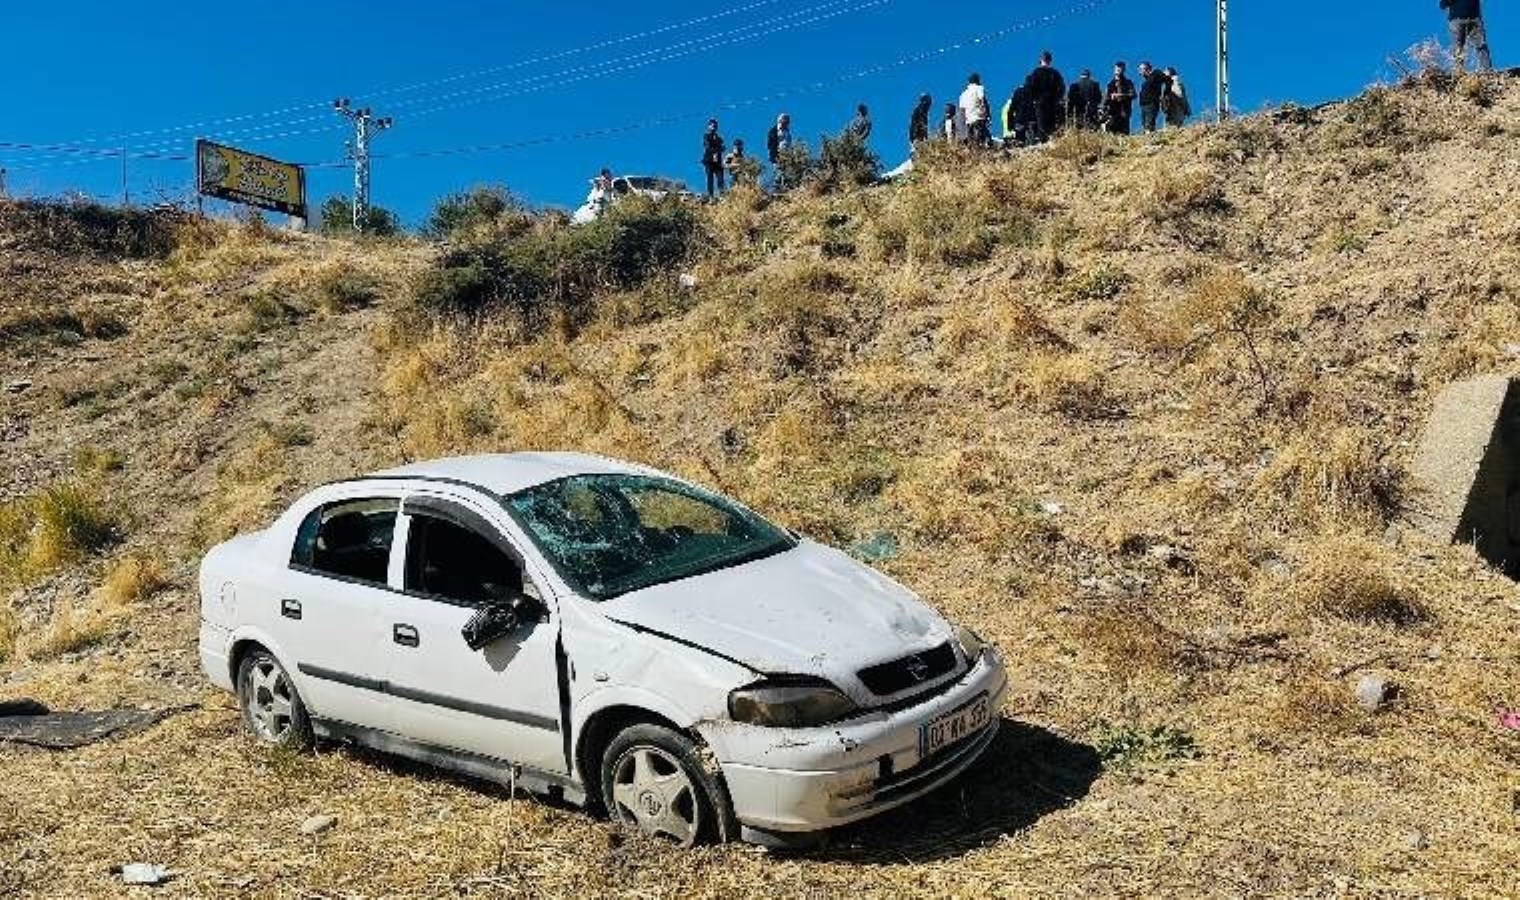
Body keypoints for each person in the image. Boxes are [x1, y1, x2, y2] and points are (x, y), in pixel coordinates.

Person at [1024, 50, 1067, 144]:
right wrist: (1057, 99)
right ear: (1050, 60)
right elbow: (1062, 88)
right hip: (1052, 102)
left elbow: (1030, 87)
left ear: (1041, 60)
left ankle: (1043, 143)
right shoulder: (1055, 73)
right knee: (1051, 123)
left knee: (1041, 123)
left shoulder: (1036, 72)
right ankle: (1051, 143)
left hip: (1040, 102)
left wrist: (1034, 99)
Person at [1442, 0, 1494, 73]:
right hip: (1457, 20)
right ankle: (1459, 72)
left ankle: (1487, 71)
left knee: (1481, 45)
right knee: (1458, 48)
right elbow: (1442, 5)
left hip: (1474, 19)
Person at [1137, 61, 1171, 134]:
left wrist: (1165, 93)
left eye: (1141, 69)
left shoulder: (1156, 73)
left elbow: (1168, 80)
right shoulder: (1146, 80)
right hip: (1144, 105)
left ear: (1146, 68)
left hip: (1151, 104)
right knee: (1145, 125)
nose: (1139, 72)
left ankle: (1151, 140)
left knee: (1149, 125)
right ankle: (1148, 139)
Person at [959, 72, 990, 147]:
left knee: (972, 141)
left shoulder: (964, 93)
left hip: (969, 120)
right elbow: (982, 99)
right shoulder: (979, 88)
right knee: (982, 140)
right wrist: (988, 114)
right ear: (977, 80)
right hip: (979, 117)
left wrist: (964, 122)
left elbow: (962, 109)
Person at [1106, 61, 1136, 135]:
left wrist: (1121, 95)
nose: (1118, 71)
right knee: (1113, 132)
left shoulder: (1128, 83)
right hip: (1113, 112)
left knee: (1124, 133)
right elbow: (1106, 98)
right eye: (1117, 69)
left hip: (1124, 111)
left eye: (1120, 70)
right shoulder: (1110, 84)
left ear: (1124, 70)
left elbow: (1133, 95)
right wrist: (1111, 97)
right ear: (1114, 70)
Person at [701, 118, 725, 198]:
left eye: (715, 126)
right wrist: (717, 149)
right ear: (708, 127)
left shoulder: (719, 138)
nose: (714, 127)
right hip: (709, 161)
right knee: (710, 178)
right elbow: (707, 147)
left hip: (717, 161)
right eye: (712, 126)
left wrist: (719, 149)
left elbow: (722, 147)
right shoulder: (706, 136)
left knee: (720, 178)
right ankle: (711, 196)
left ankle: (722, 195)